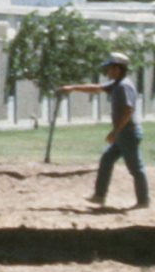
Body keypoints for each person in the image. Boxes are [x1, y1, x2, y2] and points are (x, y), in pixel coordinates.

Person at [56, 53, 147, 209]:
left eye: (110, 68)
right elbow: (97, 88)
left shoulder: (124, 85)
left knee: (135, 167)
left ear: (118, 68)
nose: (107, 71)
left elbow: (128, 109)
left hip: (128, 132)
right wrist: (73, 88)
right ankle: (99, 196)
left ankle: (143, 201)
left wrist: (115, 131)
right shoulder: (116, 84)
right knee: (106, 159)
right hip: (123, 132)